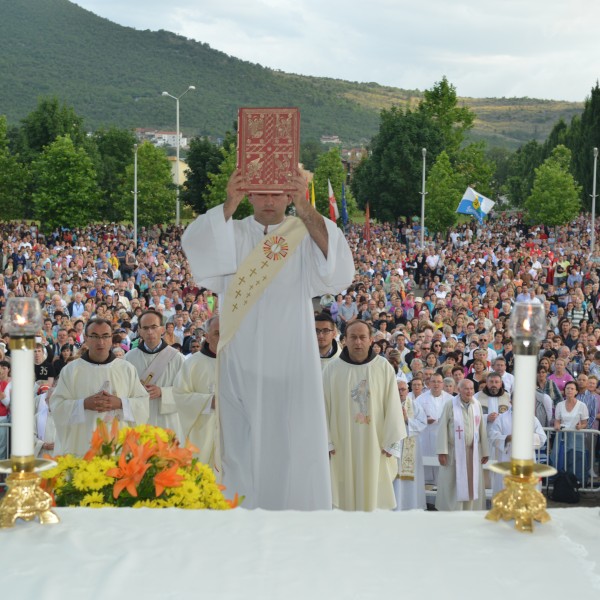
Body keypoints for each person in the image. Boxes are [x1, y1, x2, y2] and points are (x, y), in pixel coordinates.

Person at [181, 167, 354, 510]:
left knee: (294, 443)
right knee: (242, 446)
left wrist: (304, 207)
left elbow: (338, 272)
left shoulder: (302, 234)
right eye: (262, 192)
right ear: (250, 193)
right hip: (241, 360)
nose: (270, 200)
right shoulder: (232, 233)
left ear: (288, 194)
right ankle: (243, 520)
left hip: (292, 360)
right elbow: (196, 248)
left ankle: (299, 523)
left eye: (278, 192)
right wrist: (229, 202)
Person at [323, 320, 407, 511]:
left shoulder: (383, 367)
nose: (358, 342)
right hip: (341, 444)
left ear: (371, 340)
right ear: (344, 340)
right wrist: (327, 441)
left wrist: (391, 442)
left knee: (374, 495)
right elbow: (323, 407)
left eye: (363, 337)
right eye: (353, 337)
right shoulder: (332, 370)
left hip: (375, 443)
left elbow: (393, 405)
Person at [51, 318, 149, 456]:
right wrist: (83, 404)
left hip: (119, 446)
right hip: (83, 445)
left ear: (111, 338)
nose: (100, 342)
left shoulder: (126, 369)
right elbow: (57, 406)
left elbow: (143, 403)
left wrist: (121, 403)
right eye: (95, 336)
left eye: (105, 336)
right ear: (86, 338)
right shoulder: (71, 370)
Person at [125, 310, 184, 442]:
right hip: (140, 422)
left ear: (162, 329)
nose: (150, 332)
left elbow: (186, 393)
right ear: (139, 331)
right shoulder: (128, 358)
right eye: (145, 328)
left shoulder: (178, 358)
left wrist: (163, 392)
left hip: (168, 422)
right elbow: (123, 392)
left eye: (154, 327)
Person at [436, 379, 489, 511]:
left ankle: (470, 510)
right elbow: (442, 428)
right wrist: (442, 451)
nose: (469, 391)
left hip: (473, 452)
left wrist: (485, 451)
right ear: (459, 390)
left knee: (471, 483)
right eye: (466, 388)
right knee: (453, 483)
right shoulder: (450, 405)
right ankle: (453, 510)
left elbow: (481, 428)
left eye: (471, 389)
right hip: (454, 451)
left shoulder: (477, 405)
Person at [173, 316, 219, 465]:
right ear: (206, 336)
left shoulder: (239, 363)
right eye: (217, 333)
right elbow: (179, 396)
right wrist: (208, 401)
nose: (222, 337)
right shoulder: (192, 363)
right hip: (202, 433)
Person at [488, 402, 547, 495]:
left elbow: (542, 438)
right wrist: (507, 438)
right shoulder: (501, 418)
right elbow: (492, 436)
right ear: (511, 402)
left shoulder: (532, 419)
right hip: (507, 459)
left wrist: (525, 437)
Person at [393, 380, 427, 511]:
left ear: (408, 391)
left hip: (410, 447)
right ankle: (394, 507)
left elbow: (422, 423)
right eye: (398, 390)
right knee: (394, 478)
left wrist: (407, 420)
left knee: (409, 482)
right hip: (394, 447)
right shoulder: (387, 405)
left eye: (403, 389)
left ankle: (410, 506)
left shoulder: (414, 406)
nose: (401, 392)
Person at [416, 372, 453, 485]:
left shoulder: (451, 399)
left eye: (439, 382)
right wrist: (425, 421)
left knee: (442, 468)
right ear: (428, 383)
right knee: (426, 467)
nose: (436, 384)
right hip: (426, 436)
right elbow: (415, 417)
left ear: (442, 384)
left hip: (444, 438)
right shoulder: (420, 399)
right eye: (433, 381)